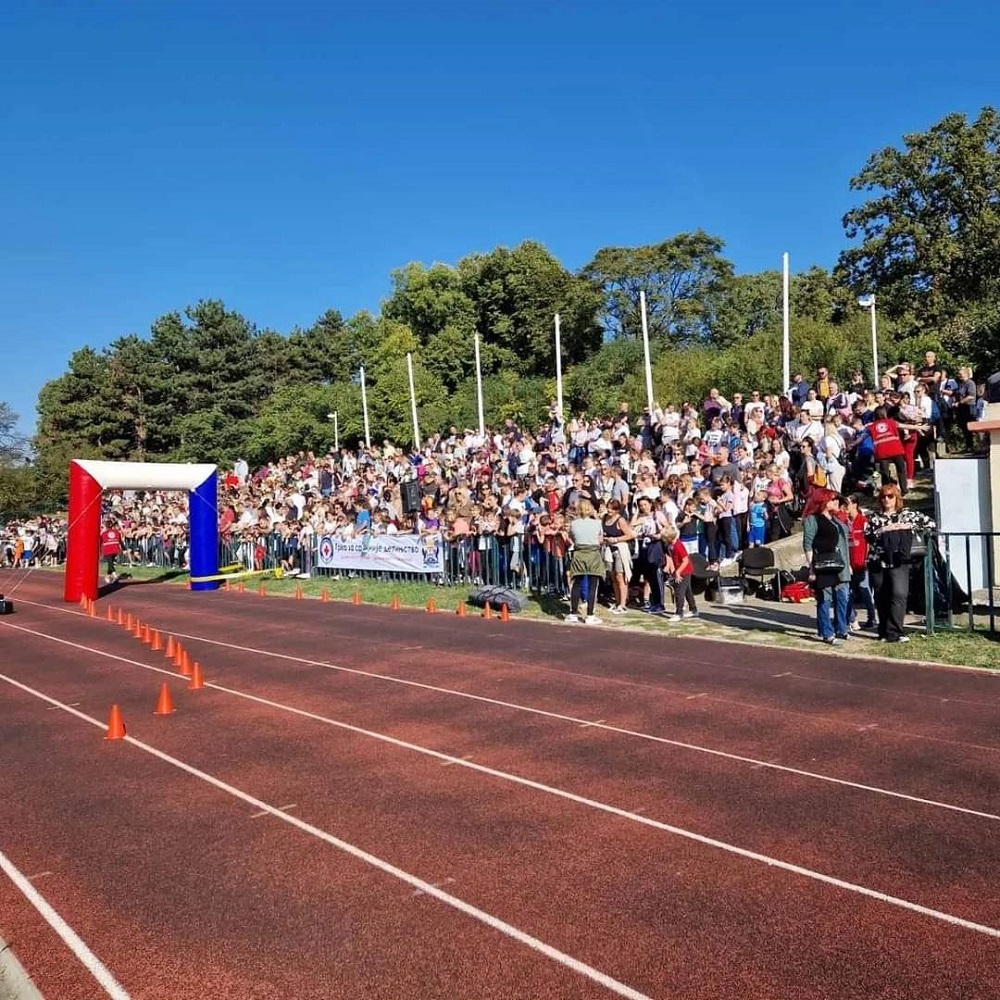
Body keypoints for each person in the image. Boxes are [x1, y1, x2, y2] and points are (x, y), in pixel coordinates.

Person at [864, 483, 935, 643]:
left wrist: (908, 526)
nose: (887, 500)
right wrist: (883, 531)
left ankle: (896, 631)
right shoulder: (875, 517)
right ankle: (884, 631)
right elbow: (868, 535)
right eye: (883, 497)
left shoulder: (907, 514)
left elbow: (930, 524)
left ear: (897, 498)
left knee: (899, 593)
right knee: (882, 596)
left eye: (890, 496)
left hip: (899, 560)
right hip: (878, 560)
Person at [802, 489, 851, 646]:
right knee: (825, 598)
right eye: (832, 499)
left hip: (839, 564)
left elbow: (843, 541)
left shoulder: (835, 519)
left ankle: (842, 628)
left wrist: (848, 564)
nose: (836, 502)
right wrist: (812, 567)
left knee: (842, 597)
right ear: (823, 501)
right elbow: (808, 544)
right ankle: (826, 632)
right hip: (823, 563)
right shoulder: (813, 519)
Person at [564, 499, 605, 624]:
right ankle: (590, 615)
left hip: (579, 553)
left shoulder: (574, 524)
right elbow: (600, 539)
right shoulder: (597, 523)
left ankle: (573, 613)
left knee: (577, 583)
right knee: (593, 585)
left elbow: (571, 537)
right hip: (593, 553)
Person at [842, 494, 877, 632]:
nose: (845, 507)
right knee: (848, 592)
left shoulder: (863, 521)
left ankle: (871, 617)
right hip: (848, 564)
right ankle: (850, 619)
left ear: (855, 504)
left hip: (861, 562)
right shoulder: (844, 523)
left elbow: (868, 542)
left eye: (848, 504)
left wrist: (867, 558)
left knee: (864, 589)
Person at [602, 499, 634, 615]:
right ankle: (617, 601)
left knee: (621, 575)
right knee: (613, 576)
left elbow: (629, 535)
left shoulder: (620, 520)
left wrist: (616, 539)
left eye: (613, 508)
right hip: (609, 549)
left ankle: (623, 604)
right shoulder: (605, 518)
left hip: (620, 549)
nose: (610, 510)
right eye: (609, 507)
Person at [662, 525, 697, 621]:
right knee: (687, 591)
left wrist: (678, 572)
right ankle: (693, 609)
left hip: (684, 571)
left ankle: (679, 613)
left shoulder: (678, 546)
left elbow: (685, 560)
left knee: (679, 592)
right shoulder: (670, 546)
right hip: (680, 570)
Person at [100, 519, 122, 585]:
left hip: (107, 550)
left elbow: (99, 541)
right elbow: (120, 541)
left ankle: (115, 575)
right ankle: (108, 576)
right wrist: (123, 549)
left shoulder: (103, 533)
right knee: (110, 563)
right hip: (115, 549)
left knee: (110, 563)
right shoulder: (117, 532)